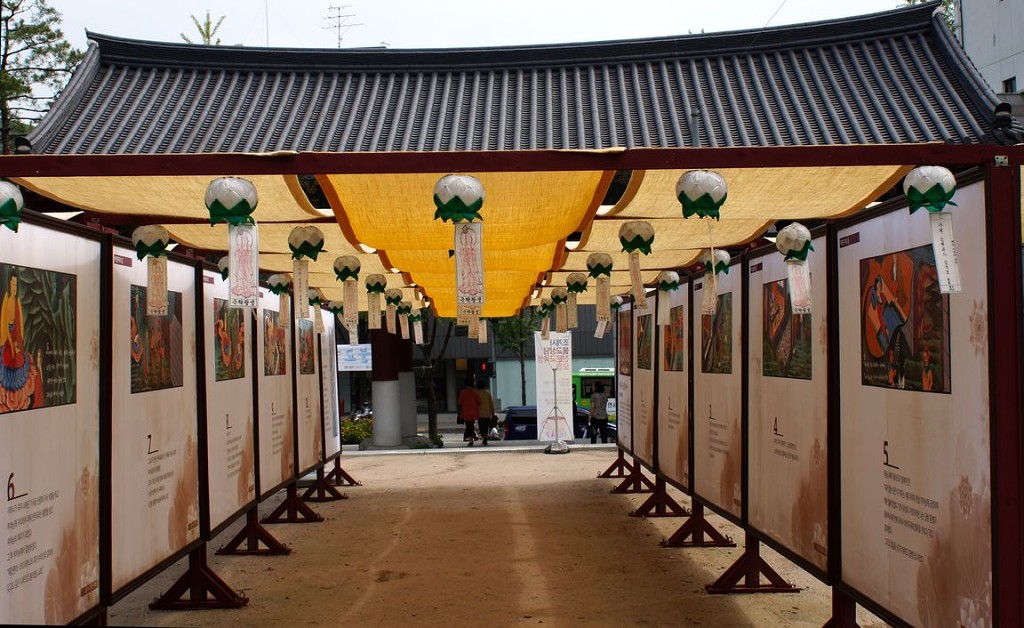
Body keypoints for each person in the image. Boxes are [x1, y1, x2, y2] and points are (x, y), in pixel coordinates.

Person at [457, 377, 480, 446]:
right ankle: (472, 438)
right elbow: (479, 402)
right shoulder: (475, 392)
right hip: (473, 411)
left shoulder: (463, 392)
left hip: (465, 411)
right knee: (472, 425)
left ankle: (470, 439)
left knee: (468, 426)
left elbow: (460, 402)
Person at [476, 379, 495, 446]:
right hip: (487, 412)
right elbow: (491, 403)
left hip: (480, 413)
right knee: (486, 426)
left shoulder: (477, 393)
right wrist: (492, 412)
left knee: (481, 426)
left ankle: (484, 436)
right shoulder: (487, 393)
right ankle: (485, 436)